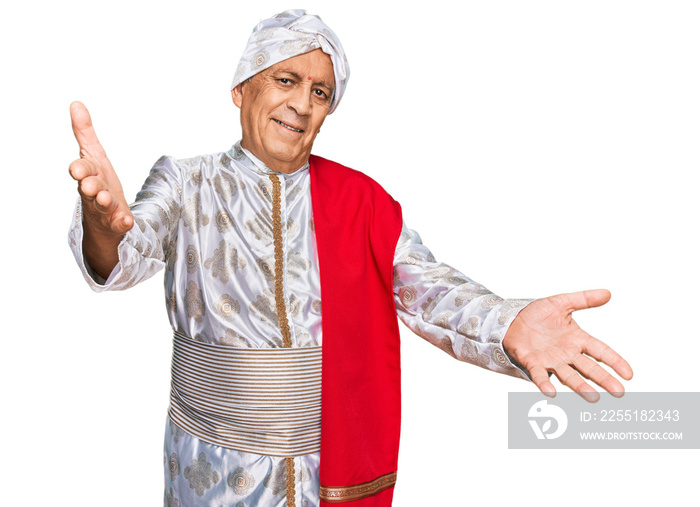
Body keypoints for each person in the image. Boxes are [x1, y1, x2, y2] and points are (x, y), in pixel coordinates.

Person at [67, 9, 633, 507]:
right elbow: (123, 255)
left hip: (325, 467)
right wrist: (102, 221)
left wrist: (508, 322)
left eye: (320, 92)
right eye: (285, 80)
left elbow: (430, 293)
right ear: (241, 89)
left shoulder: (360, 201)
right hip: (209, 466)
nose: (302, 103)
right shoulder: (187, 182)